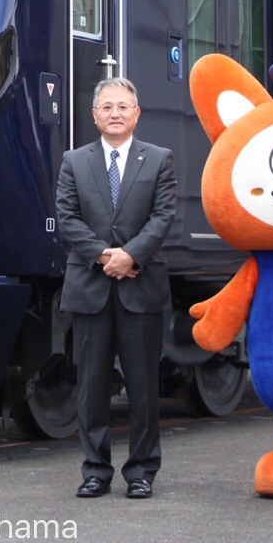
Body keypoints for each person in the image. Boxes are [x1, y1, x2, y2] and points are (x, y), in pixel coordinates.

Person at [55, 76, 177, 499]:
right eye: (106, 107)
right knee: (91, 386)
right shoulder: (74, 161)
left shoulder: (159, 159)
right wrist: (106, 256)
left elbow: (163, 218)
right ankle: (95, 471)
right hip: (91, 287)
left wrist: (132, 255)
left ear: (136, 113)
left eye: (123, 106)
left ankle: (141, 471)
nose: (115, 114)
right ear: (94, 116)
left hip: (140, 287)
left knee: (143, 386)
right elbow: (67, 218)